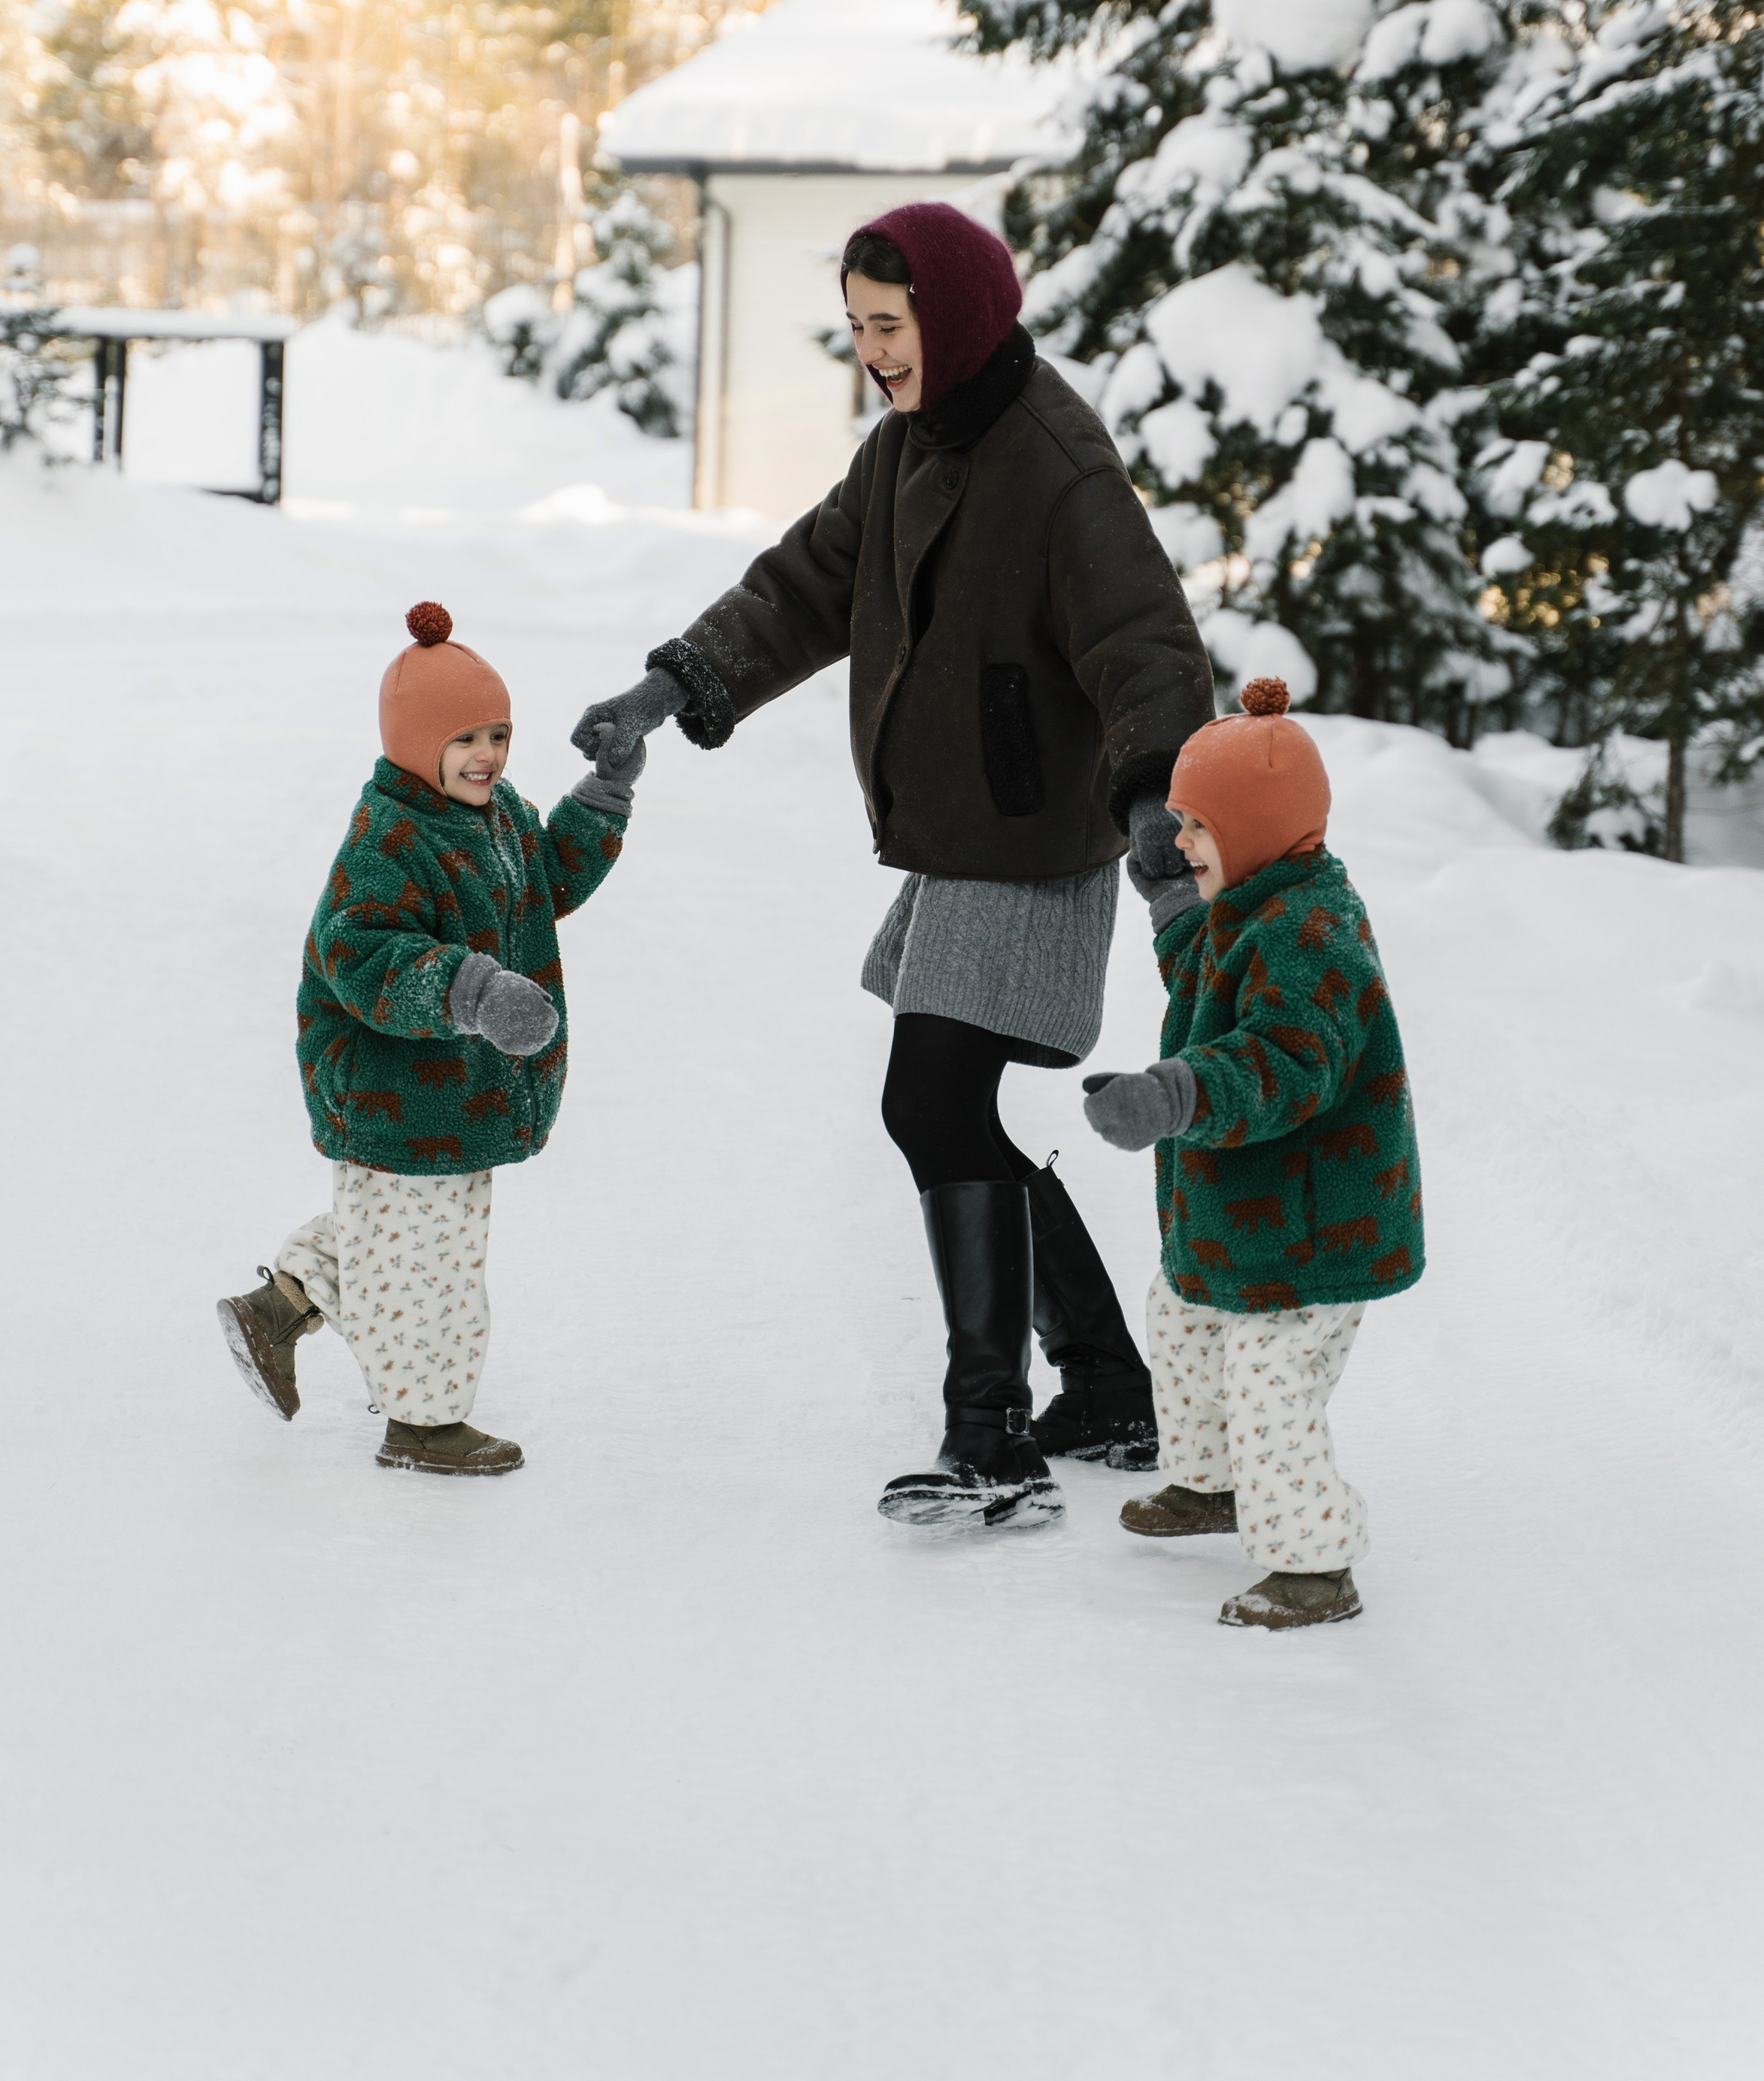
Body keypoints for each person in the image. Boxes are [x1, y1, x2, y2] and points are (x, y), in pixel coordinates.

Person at [573, 202, 1213, 1531]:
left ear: (959, 317)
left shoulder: (1056, 461)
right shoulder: (907, 449)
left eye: (889, 323)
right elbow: (805, 584)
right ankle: (1102, 1383)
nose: (870, 351)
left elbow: (1144, 640)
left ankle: (992, 1439)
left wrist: (1158, 792)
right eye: (858, 326)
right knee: (950, 1110)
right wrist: (675, 683)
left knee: (931, 1101)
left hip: (1032, 835)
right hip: (960, 832)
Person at [217, 601, 639, 1476]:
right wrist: (471, 990)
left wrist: (604, 795)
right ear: (416, 745)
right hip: (400, 1087)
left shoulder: (497, 815)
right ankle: (423, 1422)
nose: (486, 756)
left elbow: (547, 880)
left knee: (400, 1230)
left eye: (498, 734)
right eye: (464, 740)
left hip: (452, 1094)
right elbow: (363, 954)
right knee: (427, 1271)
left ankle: (282, 1305)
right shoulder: (389, 838)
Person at [1080, 677, 1425, 1627]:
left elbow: (1284, 1062)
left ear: (1258, 828)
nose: (1178, 841)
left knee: (1270, 1384)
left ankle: (1315, 1567)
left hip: (1316, 1233)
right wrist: (1170, 903)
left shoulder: (1316, 935)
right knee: (1181, 1318)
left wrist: (1173, 1093)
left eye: (1195, 826)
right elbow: (1205, 969)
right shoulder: (1257, 901)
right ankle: (1210, 1484)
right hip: (1238, 1226)